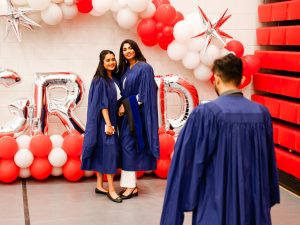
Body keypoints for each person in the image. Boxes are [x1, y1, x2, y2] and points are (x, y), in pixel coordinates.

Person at [160, 53, 280, 225]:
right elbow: (268, 163)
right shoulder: (261, 114)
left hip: (214, 205)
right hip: (252, 206)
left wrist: (174, 214)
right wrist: (265, 199)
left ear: (216, 78)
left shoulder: (206, 114)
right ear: (242, 79)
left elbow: (186, 164)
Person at [117, 39, 159, 199]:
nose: (127, 51)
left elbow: (145, 94)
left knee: (129, 147)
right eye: (124, 49)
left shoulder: (145, 68)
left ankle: (131, 186)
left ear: (135, 49)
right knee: (127, 147)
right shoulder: (126, 69)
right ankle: (130, 186)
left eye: (130, 48)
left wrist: (125, 106)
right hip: (127, 114)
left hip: (136, 114)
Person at [81, 50, 123, 203]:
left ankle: (99, 185)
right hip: (103, 123)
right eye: (108, 60)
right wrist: (109, 124)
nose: (111, 62)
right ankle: (111, 189)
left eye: (113, 59)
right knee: (110, 153)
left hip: (109, 121)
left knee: (102, 152)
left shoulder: (113, 79)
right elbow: (102, 104)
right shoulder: (100, 80)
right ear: (102, 62)